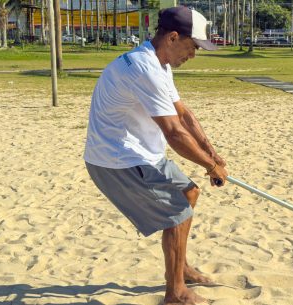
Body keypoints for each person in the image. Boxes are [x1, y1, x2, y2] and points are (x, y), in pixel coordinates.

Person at [83, 6, 226, 305]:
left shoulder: (160, 65)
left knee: (188, 193)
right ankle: (175, 294)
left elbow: (183, 114)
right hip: (116, 159)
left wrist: (213, 154)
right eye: (193, 46)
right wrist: (210, 166)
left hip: (142, 154)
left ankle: (181, 267)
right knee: (177, 213)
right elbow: (174, 133)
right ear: (173, 37)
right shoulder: (143, 67)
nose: (194, 55)